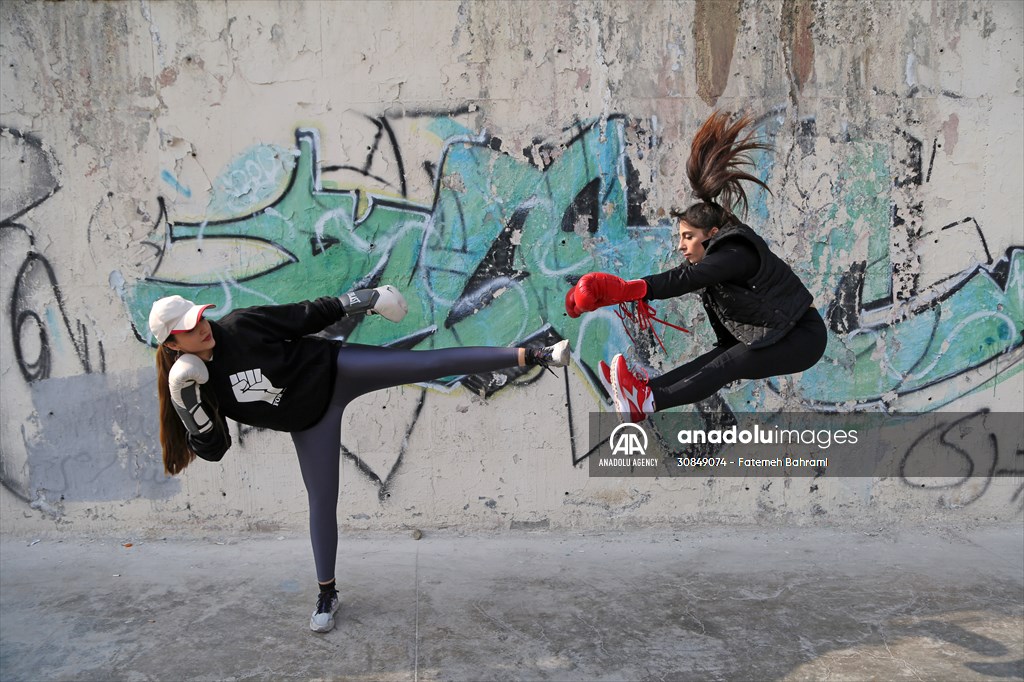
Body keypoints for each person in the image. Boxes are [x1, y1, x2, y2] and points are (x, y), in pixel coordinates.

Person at [150, 286, 569, 633]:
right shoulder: (195, 385)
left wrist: (365, 299)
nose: (202, 328)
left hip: (335, 369)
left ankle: (536, 354)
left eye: (200, 317)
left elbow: (304, 315)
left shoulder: (239, 326)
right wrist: (189, 408)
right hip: (310, 421)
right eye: (189, 329)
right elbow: (215, 448)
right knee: (321, 502)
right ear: (172, 344)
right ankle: (327, 594)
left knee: (426, 363)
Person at [565, 111, 827, 421]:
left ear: (712, 234)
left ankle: (645, 400)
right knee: (718, 360)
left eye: (688, 237)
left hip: (801, 336)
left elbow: (687, 278)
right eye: (680, 237)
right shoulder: (720, 258)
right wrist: (621, 293)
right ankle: (643, 394)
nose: (681, 245)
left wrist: (627, 289)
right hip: (775, 332)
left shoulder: (736, 252)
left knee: (728, 364)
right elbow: (687, 277)